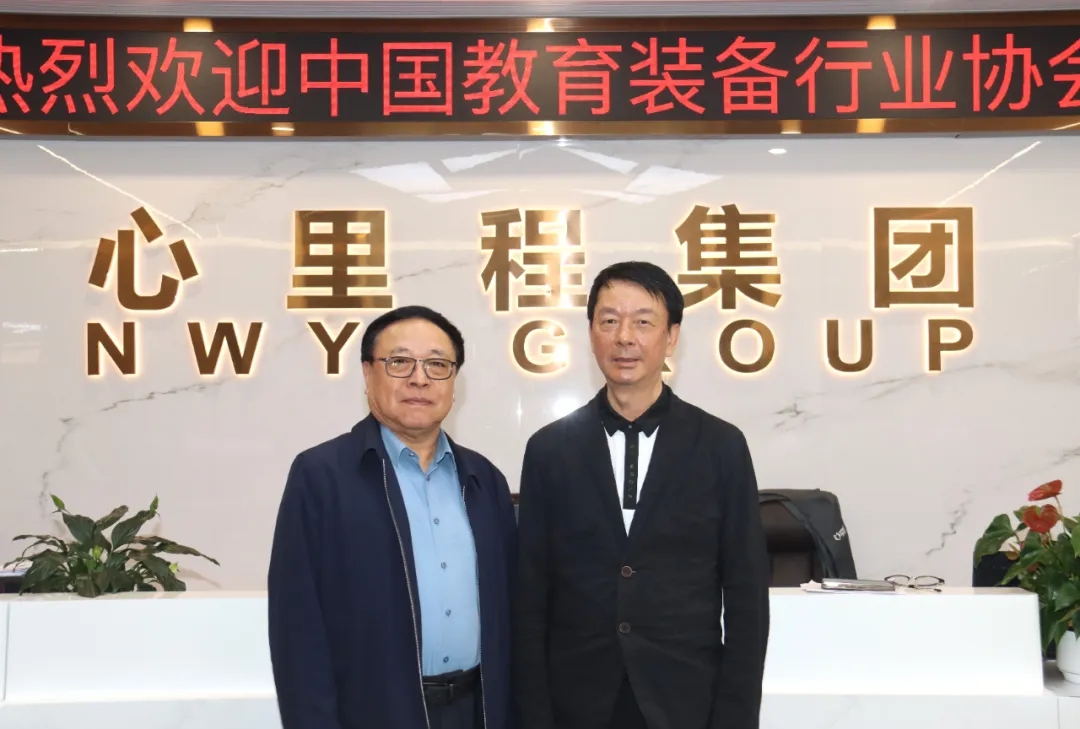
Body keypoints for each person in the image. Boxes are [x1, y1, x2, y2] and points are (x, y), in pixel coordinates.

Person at [513, 261, 770, 729]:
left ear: (672, 337)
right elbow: (530, 597)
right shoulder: (549, 450)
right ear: (591, 333)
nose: (624, 337)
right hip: (577, 704)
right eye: (609, 320)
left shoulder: (720, 446)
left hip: (685, 703)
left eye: (643, 322)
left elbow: (747, 598)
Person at [268, 305, 517, 729]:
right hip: (373, 713)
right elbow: (297, 628)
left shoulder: (483, 480)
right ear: (368, 374)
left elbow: (512, 616)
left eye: (437, 364)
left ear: (454, 381)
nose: (419, 379)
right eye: (399, 362)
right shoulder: (322, 477)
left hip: (476, 711)